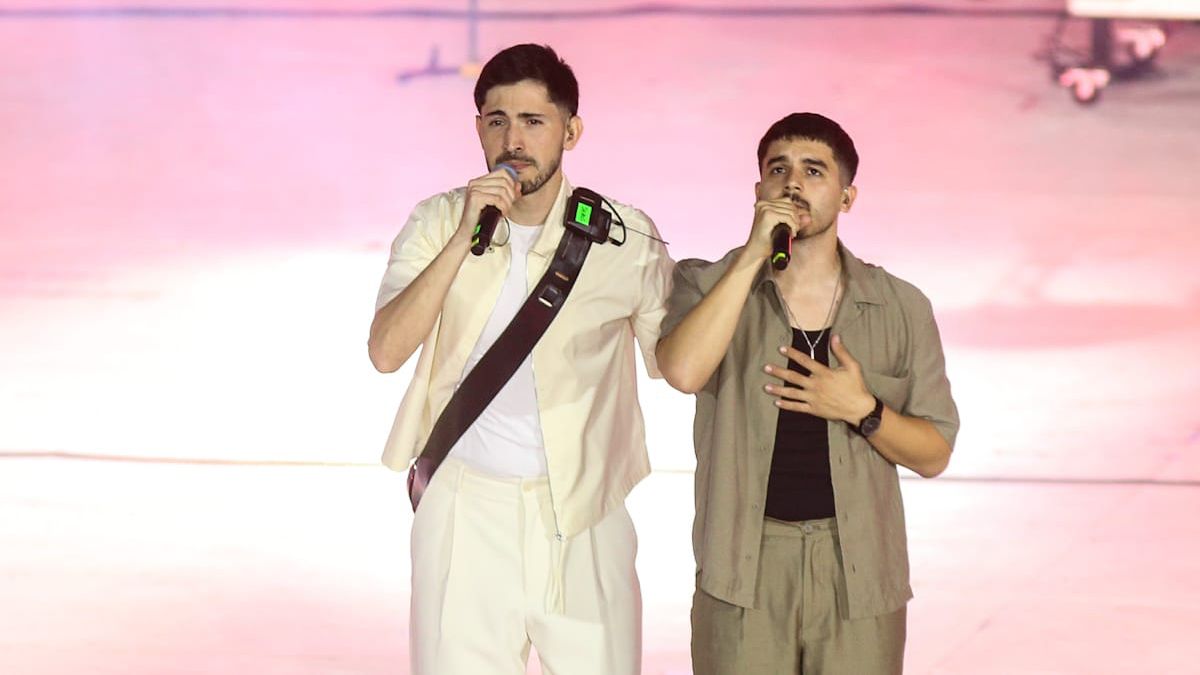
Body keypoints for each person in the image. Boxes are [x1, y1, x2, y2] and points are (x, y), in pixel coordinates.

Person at [367, 43, 672, 675]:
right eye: (497, 120)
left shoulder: (625, 237)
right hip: (463, 509)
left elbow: (678, 364)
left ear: (571, 130)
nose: (514, 139)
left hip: (584, 513)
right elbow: (386, 351)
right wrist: (461, 239)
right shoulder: (437, 222)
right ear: (478, 127)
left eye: (534, 121)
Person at [656, 112, 959, 674]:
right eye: (779, 170)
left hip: (858, 570)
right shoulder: (707, 284)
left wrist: (863, 411)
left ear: (846, 197)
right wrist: (751, 257)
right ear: (758, 190)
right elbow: (682, 371)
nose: (793, 183)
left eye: (814, 171)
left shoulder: (899, 307)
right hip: (743, 567)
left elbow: (935, 451)